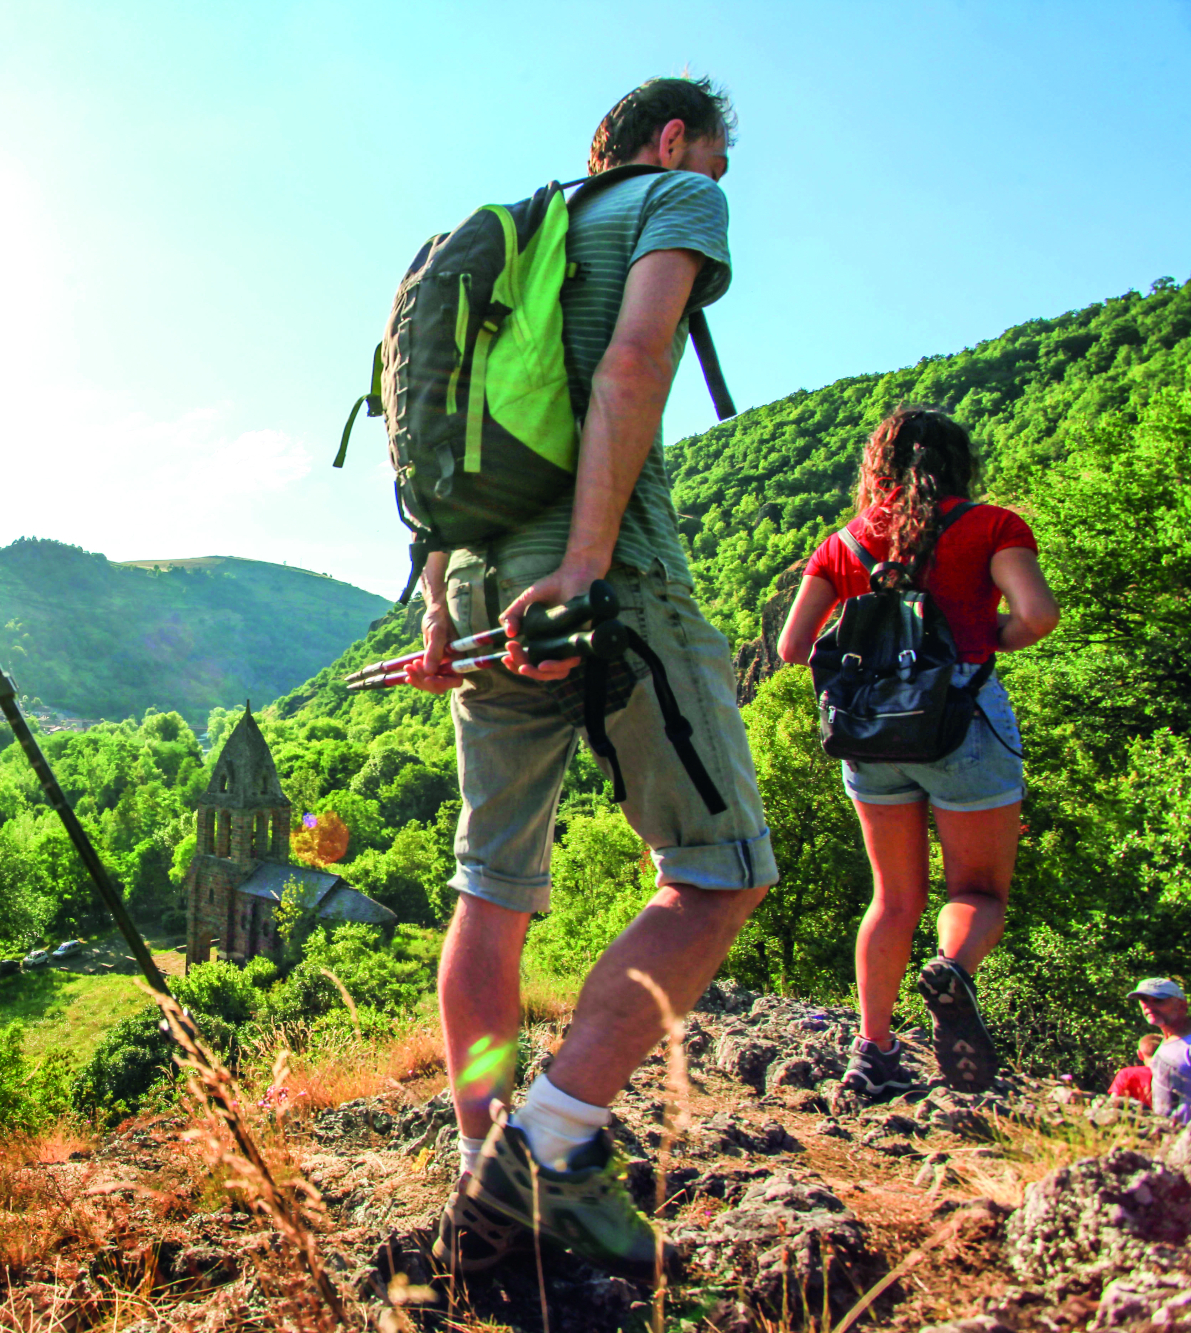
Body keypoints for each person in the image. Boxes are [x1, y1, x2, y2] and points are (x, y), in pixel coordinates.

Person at [403, 76, 776, 1278]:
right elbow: (632, 362)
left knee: (490, 880)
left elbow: (430, 438)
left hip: (468, 585)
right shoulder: (674, 200)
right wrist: (582, 557)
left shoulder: (505, 242)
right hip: (604, 577)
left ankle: (478, 1167)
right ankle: (549, 1150)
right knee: (719, 870)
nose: (711, 187)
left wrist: (435, 609)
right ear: (672, 142)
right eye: (710, 161)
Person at [777, 408, 1059, 1099]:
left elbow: (790, 647)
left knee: (893, 897)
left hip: (871, 733)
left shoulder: (845, 541)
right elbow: (1039, 614)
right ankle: (952, 970)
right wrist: (985, 631)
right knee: (978, 891)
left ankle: (871, 1052)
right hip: (961, 718)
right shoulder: (993, 525)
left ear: (877, 465)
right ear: (959, 462)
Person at [1132, 977, 1191, 1125]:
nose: (1149, 1007)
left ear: (1182, 1006)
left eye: (1159, 1001)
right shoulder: (1166, 1042)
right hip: (1173, 1139)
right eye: (1144, 1000)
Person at [1106, 1033, 1163, 1105]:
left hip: (1136, 1114)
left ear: (1139, 1054)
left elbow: (1113, 1102)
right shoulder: (1172, 1073)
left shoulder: (1126, 1074)